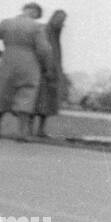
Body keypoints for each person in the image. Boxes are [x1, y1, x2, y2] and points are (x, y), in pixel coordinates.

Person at [0, 3, 54, 142]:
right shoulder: (37, 27)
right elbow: (44, 49)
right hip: (29, 62)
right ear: (35, 12)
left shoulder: (6, 23)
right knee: (26, 94)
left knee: (2, 93)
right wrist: (45, 66)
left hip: (7, 60)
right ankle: (21, 133)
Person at [32, 9, 67, 138]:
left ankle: (40, 130)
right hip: (43, 71)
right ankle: (29, 128)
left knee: (48, 102)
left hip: (53, 72)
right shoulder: (45, 31)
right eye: (61, 20)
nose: (62, 24)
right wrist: (46, 68)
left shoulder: (56, 34)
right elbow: (43, 51)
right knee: (37, 100)